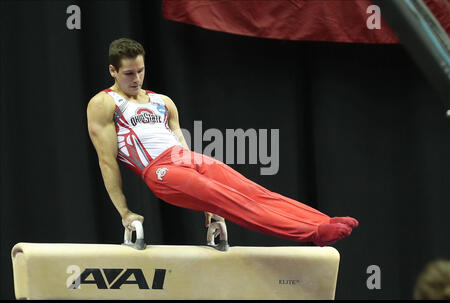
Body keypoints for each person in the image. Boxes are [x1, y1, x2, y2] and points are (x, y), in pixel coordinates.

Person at [86, 38, 359, 247]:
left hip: (184, 159)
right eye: (129, 74)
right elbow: (107, 161)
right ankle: (314, 234)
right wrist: (124, 212)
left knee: (255, 192)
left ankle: (321, 220)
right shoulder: (105, 103)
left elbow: (182, 145)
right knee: (231, 201)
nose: (136, 79)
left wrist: (204, 205)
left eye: (140, 71)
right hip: (159, 172)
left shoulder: (162, 101)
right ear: (113, 70)